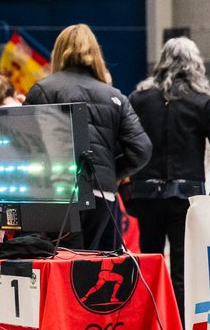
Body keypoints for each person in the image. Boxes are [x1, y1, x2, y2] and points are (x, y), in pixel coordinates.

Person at [128, 37, 210, 316]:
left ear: (162, 62)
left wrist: (131, 184)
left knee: (149, 264)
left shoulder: (138, 99)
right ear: (195, 64)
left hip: (146, 195)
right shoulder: (202, 102)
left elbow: (124, 144)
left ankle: (149, 328)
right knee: (182, 271)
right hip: (186, 198)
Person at [24, 24, 152, 250]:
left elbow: (22, 143)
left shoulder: (43, 90)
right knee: (93, 266)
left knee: (65, 264)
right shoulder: (114, 96)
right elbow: (142, 149)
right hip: (103, 195)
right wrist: (111, 173)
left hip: (59, 192)